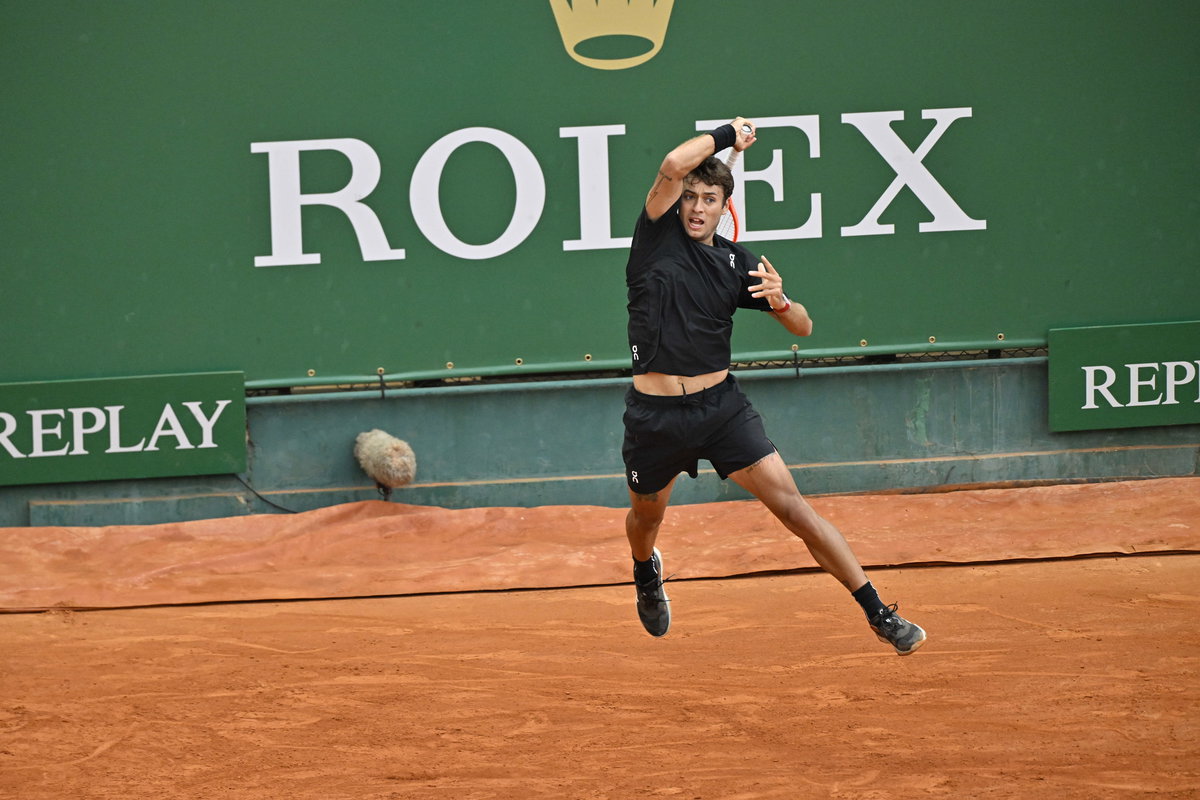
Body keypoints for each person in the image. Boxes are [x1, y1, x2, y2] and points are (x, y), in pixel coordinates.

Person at [620, 116, 926, 655]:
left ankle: (880, 613)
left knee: (794, 509)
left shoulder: (739, 264)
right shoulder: (653, 238)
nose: (696, 207)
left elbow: (803, 326)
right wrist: (725, 134)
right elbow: (671, 165)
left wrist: (782, 301)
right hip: (655, 417)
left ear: (724, 206)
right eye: (690, 196)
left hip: (721, 411)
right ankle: (647, 571)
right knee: (646, 517)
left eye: (709, 198)